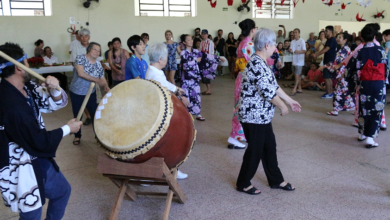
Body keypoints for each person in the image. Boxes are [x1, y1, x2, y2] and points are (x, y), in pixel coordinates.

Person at [0, 42, 82, 219]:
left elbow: (52, 102)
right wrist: (68, 128)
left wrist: (55, 89)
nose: (29, 65)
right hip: (20, 167)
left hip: (37, 157)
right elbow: (38, 140)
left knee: (62, 191)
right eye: (26, 62)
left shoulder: (25, 88)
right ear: (19, 68)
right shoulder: (10, 103)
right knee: (32, 212)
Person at [236, 28, 301, 195]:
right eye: (274, 46)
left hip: (261, 116)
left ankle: (276, 180)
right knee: (255, 150)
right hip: (253, 116)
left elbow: (274, 86)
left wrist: (290, 100)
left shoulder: (262, 62)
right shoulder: (256, 63)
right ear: (266, 45)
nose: (275, 49)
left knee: (269, 147)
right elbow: (268, 92)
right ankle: (243, 182)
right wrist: (282, 106)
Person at [145, 42, 190, 180]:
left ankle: (172, 168)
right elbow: (165, 90)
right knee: (168, 143)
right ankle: (164, 170)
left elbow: (166, 84)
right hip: (158, 114)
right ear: (160, 59)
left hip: (157, 112)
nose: (167, 59)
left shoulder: (154, 70)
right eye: (166, 57)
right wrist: (180, 96)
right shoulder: (155, 75)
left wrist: (177, 89)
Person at [69, 42, 110, 145]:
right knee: (78, 115)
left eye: (99, 50)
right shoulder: (80, 58)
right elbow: (81, 73)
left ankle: (98, 135)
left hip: (90, 93)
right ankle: (77, 136)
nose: (97, 52)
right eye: (95, 49)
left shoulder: (98, 64)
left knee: (94, 114)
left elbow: (102, 78)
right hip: (76, 92)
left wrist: (106, 86)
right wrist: (96, 80)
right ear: (89, 50)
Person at [356, 24, 387, 148]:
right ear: (375, 36)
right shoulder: (381, 50)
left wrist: (358, 83)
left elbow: (357, 70)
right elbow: (386, 68)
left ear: (362, 38)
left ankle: (362, 134)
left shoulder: (360, 51)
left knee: (364, 108)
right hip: (378, 84)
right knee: (376, 109)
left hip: (365, 83)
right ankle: (370, 138)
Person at [227, 19, 257, 149]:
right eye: (255, 28)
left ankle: (241, 135)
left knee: (242, 106)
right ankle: (235, 136)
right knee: (242, 107)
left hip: (242, 76)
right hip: (247, 78)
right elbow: (254, 63)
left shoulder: (242, 43)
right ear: (252, 30)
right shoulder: (248, 44)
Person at [319, 32, 354, 116]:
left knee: (339, 92)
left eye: (340, 37)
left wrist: (325, 66)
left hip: (343, 74)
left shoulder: (345, 50)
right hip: (343, 74)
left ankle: (336, 109)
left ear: (345, 40)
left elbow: (338, 63)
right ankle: (353, 108)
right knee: (346, 92)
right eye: (338, 37)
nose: (338, 39)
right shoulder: (343, 49)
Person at [312, 26, 338, 99]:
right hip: (327, 60)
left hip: (330, 61)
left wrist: (316, 54)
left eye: (326, 31)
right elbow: (324, 48)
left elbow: (326, 49)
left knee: (327, 77)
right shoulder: (329, 40)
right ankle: (329, 92)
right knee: (327, 77)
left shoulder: (332, 40)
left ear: (330, 31)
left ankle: (330, 93)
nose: (325, 32)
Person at [289, 28, 306, 96]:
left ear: (299, 33)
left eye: (296, 32)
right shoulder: (292, 41)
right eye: (294, 32)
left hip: (300, 61)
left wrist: (298, 51)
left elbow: (304, 50)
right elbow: (291, 50)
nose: (294, 34)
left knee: (296, 75)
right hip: (294, 60)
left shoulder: (302, 41)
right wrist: (290, 50)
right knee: (297, 75)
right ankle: (299, 88)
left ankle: (294, 89)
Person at [199, 29, 215, 95]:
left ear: (207, 35)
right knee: (204, 75)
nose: (203, 35)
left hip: (207, 60)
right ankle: (208, 89)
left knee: (207, 75)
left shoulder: (210, 42)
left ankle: (209, 89)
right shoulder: (201, 42)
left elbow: (211, 52)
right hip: (202, 60)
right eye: (202, 34)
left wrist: (210, 60)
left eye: (205, 34)